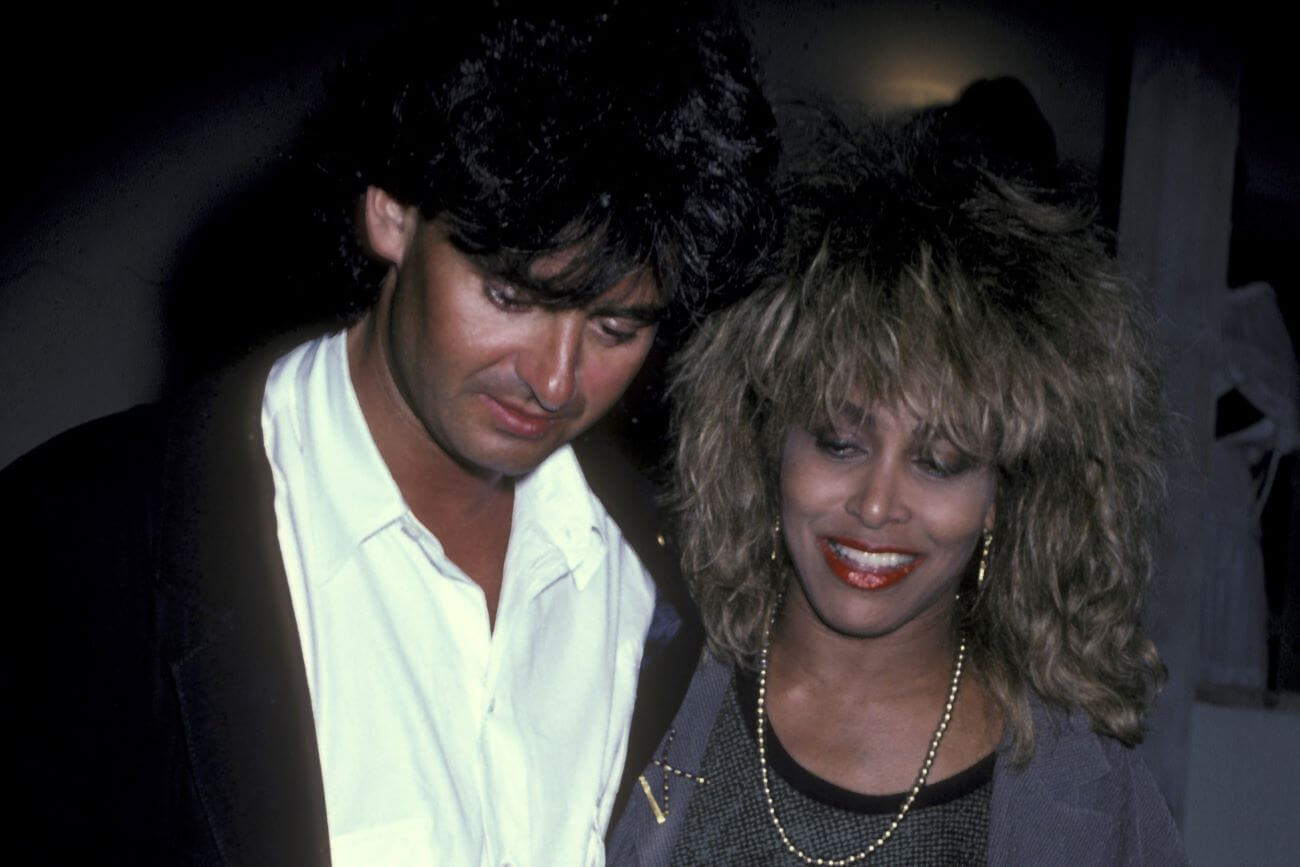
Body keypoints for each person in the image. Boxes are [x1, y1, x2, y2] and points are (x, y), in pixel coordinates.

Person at [0, 4, 778, 864]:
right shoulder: (80, 542)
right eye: (513, 297)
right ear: (392, 208)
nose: (557, 381)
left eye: (618, 326)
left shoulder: (661, 574)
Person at [607, 115, 1188, 865]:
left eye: (940, 460)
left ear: (1008, 495)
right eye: (839, 442)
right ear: (763, 437)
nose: (877, 504)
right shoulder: (629, 680)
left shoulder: (1089, 804)